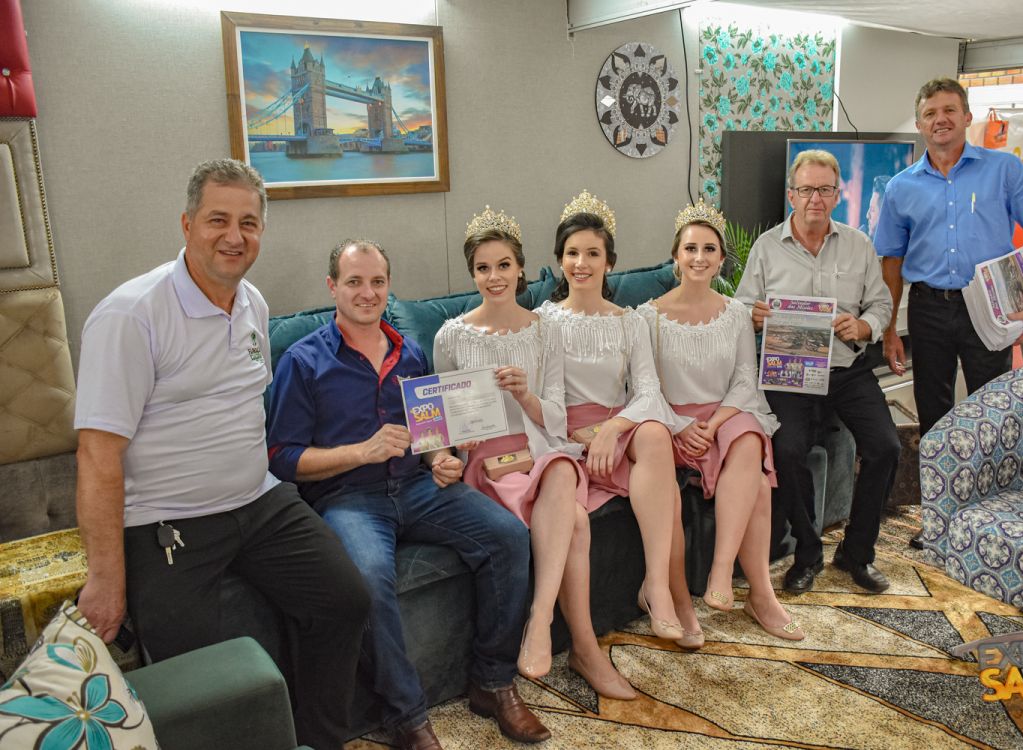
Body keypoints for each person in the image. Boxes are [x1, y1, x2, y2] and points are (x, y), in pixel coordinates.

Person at [73, 159, 370, 750]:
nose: (234, 236)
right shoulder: (131, 315)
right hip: (168, 521)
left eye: (248, 223)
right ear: (187, 225)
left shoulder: (252, 303)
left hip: (259, 502)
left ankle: (317, 740)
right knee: (197, 676)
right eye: (218, 220)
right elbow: (97, 456)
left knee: (345, 600)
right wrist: (105, 578)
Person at [266, 239, 549, 750]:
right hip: (347, 499)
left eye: (377, 282)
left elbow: (429, 434)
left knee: (509, 536)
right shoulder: (302, 361)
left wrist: (440, 459)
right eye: (354, 282)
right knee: (369, 578)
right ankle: (407, 717)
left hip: (418, 488)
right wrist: (361, 452)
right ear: (332, 287)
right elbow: (282, 458)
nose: (367, 293)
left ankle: (493, 682)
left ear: (388, 286)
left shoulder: (410, 354)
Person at [433, 206, 635, 700]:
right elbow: (436, 425)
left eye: (504, 265)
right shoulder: (451, 336)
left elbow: (558, 419)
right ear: (472, 274)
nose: (494, 277)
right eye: (483, 268)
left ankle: (540, 620)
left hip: (539, 451)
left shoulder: (546, 330)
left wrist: (525, 396)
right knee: (577, 521)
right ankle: (584, 650)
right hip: (486, 466)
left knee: (562, 465)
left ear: (521, 268)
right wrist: (453, 446)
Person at [874, 79, 1023, 549]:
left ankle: (992, 519)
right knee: (935, 415)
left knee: (992, 411)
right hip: (927, 309)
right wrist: (889, 329)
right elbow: (891, 262)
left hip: (990, 308)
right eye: (930, 113)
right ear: (919, 124)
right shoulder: (900, 187)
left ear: (967, 116)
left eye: (949, 110)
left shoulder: (1004, 170)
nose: (940, 119)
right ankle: (939, 519)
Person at [537, 191, 700, 648]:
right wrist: (583, 434)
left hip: (617, 429)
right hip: (564, 436)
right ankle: (677, 599)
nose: (582, 263)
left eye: (593, 253)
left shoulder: (630, 322)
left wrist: (613, 427)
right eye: (572, 253)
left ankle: (658, 586)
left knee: (654, 433)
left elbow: (648, 392)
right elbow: (543, 399)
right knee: (668, 491)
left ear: (609, 262)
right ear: (560, 260)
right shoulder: (542, 322)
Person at [638, 203, 805, 641]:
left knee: (749, 437)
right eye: (690, 248)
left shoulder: (735, 314)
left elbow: (746, 381)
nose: (699, 257)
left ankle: (721, 572)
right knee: (759, 486)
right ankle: (761, 595)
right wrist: (680, 424)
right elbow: (644, 387)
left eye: (709, 249)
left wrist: (713, 425)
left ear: (721, 259)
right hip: (670, 419)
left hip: (723, 415)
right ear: (675, 256)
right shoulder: (647, 317)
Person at [736, 150, 900, 595]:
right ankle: (808, 554)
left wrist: (864, 326)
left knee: (886, 447)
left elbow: (880, 303)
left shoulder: (858, 244)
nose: (815, 199)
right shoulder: (767, 247)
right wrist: (753, 315)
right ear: (791, 195)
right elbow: (740, 305)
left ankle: (857, 552)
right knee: (787, 450)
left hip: (847, 369)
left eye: (825, 190)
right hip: (789, 373)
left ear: (837, 195)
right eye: (807, 189)